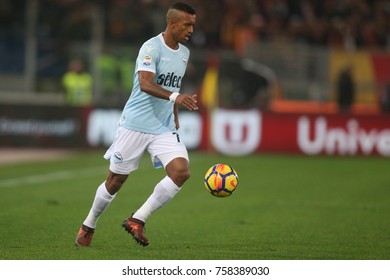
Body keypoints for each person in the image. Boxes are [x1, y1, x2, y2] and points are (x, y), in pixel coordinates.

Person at [75, 2, 197, 247]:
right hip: (135, 125)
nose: (191, 30)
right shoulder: (151, 47)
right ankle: (89, 225)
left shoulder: (184, 53)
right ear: (172, 23)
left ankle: (137, 219)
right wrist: (176, 98)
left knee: (181, 172)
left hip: (163, 127)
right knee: (115, 182)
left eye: (193, 25)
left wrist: (174, 111)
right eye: (187, 24)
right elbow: (145, 83)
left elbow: (173, 87)